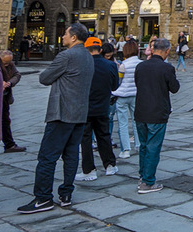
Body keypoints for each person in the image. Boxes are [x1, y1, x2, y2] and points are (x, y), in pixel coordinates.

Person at [18, 23, 94, 213]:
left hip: (61, 113)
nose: (63, 37)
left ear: (74, 37)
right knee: (71, 155)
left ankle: (43, 198)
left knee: (47, 156)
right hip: (79, 113)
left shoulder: (66, 55)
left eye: (66, 34)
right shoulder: (88, 56)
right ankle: (66, 194)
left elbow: (44, 78)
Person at [134, 38, 180, 194]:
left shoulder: (140, 66)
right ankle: (147, 182)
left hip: (141, 111)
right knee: (153, 147)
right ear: (166, 51)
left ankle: (143, 176)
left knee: (144, 146)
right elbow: (174, 88)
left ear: (152, 50)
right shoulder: (167, 68)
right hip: (157, 112)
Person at [76, 37, 119, 181]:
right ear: (100, 50)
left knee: (86, 139)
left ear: (86, 50)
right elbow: (114, 86)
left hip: (85, 107)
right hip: (102, 106)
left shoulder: (81, 65)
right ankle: (110, 165)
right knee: (104, 135)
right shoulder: (111, 65)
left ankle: (89, 170)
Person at [113, 38, 141, 158]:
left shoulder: (124, 65)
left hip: (123, 95)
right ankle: (139, 145)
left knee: (123, 123)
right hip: (136, 95)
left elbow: (119, 81)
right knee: (137, 121)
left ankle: (126, 149)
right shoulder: (141, 64)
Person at [0, 50, 26, 154]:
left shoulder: (10, 64)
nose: (7, 64)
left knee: (5, 120)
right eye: (5, 62)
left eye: (8, 62)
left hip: (5, 96)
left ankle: (9, 144)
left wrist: (9, 83)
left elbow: (17, 75)